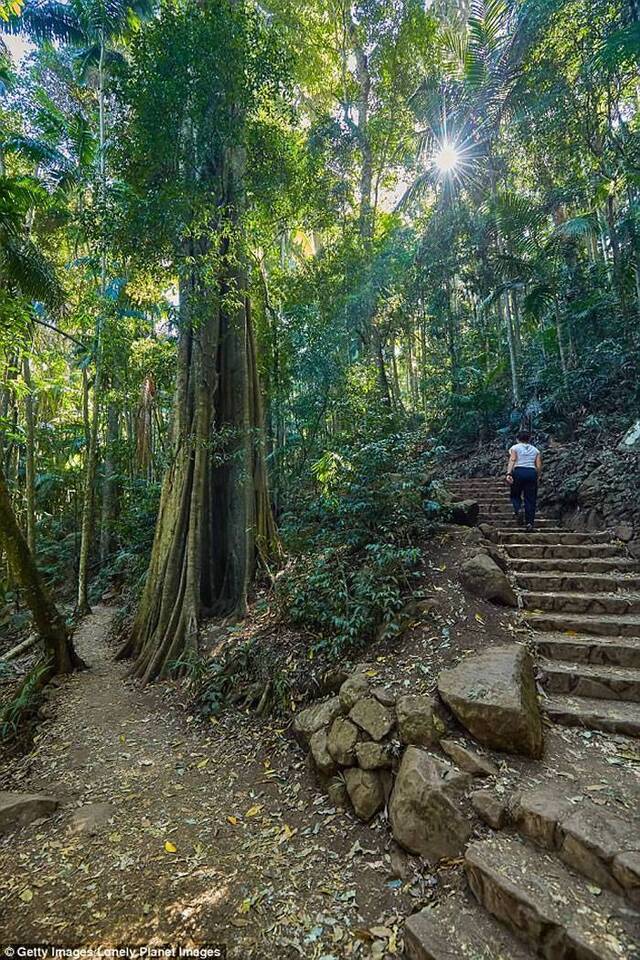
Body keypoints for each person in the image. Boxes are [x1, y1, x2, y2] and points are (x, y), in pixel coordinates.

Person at [506, 431, 542, 531]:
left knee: (515, 494)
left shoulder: (515, 448)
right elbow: (538, 465)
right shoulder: (536, 450)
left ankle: (518, 509)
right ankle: (530, 522)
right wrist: (538, 476)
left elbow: (513, 459)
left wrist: (509, 473)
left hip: (518, 471)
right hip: (531, 472)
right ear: (529, 439)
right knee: (530, 499)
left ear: (517, 439)